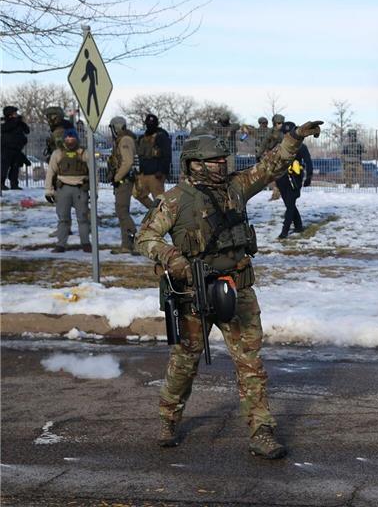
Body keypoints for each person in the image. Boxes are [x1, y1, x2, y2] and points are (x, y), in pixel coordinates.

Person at [136, 118, 323, 459]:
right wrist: (172, 258)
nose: (222, 166)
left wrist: (294, 138)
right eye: (214, 161)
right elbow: (145, 237)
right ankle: (168, 418)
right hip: (193, 294)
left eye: (223, 160)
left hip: (237, 289)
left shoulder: (237, 187)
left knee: (250, 362)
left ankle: (261, 431)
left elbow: (271, 165)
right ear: (193, 163)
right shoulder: (176, 200)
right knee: (185, 361)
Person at [44, 128, 92, 253]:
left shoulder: (84, 153)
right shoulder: (57, 153)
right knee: (63, 219)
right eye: (68, 138)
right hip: (63, 188)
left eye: (73, 138)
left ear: (77, 139)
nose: (70, 140)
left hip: (80, 189)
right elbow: (50, 172)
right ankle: (61, 244)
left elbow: (93, 172)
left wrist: (94, 191)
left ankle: (86, 243)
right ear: (64, 139)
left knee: (83, 218)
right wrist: (48, 191)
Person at [106, 117, 139, 254]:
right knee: (121, 212)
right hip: (122, 180)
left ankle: (137, 242)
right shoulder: (122, 139)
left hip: (124, 180)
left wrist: (117, 177)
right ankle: (126, 245)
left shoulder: (125, 140)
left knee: (122, 211)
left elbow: (128, 162)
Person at [276, 121, 313, 239]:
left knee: (290, 204)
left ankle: (284, 231)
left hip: (295, 178)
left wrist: (309, 177)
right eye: (285, 133)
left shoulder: (301, 147)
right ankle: (298, 226)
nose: (287, 135)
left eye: (289, 132)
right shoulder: (279, 145)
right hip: (281, 178)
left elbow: (308, 163)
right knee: (288, 204)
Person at [135, 113, 172, 208]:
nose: (149, 125)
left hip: (156, 174)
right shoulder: (142, 138)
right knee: (138, 194)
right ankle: (154, 212)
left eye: (152, 123)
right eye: (148, 123)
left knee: (159, 201)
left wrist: (162, 171)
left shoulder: (162, 136)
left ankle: (162, 218)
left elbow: (167, 155)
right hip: (144, 173)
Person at [1, 106, 30, 191]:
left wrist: (21, 122)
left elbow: (27, 131)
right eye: (14, 113)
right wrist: (15, 121)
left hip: (17, 149)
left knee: (15, 168)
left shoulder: (18, 123)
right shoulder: (5, 122)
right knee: (4, 168)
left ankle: (14, 184)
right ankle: (1, 184)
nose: (16, 115)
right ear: (10, 115)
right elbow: (5, 128)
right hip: (6, 149)